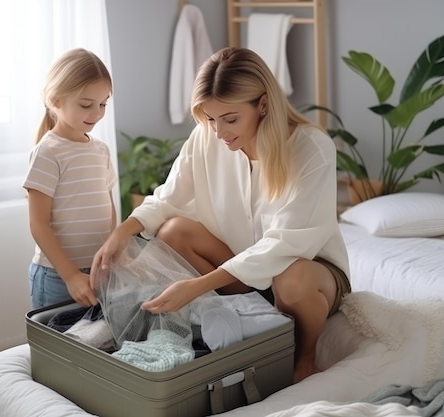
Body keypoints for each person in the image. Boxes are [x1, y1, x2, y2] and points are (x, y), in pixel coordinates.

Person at [90, 47, 351, 383]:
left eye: (230, 119)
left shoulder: (311, 148)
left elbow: (287, 243)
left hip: (305, 270)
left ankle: (305, 357)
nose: (219, 132)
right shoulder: (207, 137)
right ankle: (236, 319)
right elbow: (170, 196)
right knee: (173, 231)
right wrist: (122, 231)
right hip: (242, 271)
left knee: (292, 279)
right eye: (210, 119)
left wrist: (198, 286)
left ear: (263, 104)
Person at [24, 48, 117, 309]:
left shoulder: (101, 150)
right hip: (57, 277)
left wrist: (111, 256)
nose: (97, 113)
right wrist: (71, 276)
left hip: (98, 273)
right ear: (56, 100)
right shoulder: (48, 151)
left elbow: (108, 209)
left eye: (103, 104)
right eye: (87, 105)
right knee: (57, 348)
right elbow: (38, 224)